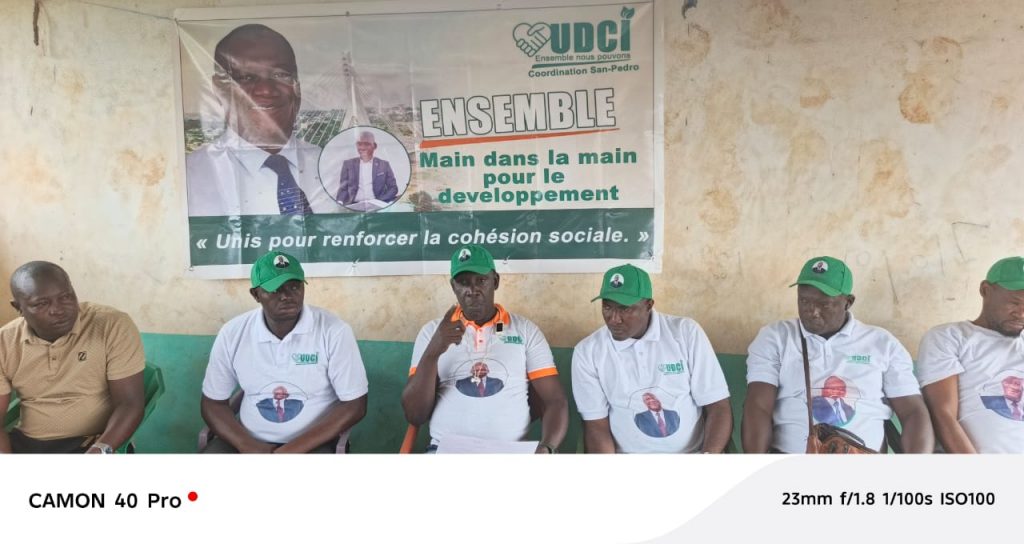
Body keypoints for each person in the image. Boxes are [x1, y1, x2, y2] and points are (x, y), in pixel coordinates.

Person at [742, 256, 933, 453]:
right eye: (804, 300)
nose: (812, 312)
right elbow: (758, 406)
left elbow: (913, 412)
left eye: (824, 304)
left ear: (848, 302)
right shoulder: (776, 337)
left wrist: (915, 467)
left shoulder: (882, 343)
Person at [401, 245, 567, 453]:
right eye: (463, 282)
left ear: (495, 281)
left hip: (509, 452)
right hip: (448, 451)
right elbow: (414, 415)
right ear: (453, 286)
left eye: (481, 280)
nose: (472, 290)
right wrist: (434, 350)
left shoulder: (525, 330)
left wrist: (547, 448)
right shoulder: (432, 332)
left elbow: (554, 401)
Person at [200, 251, 368, 453]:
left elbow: (355, 404)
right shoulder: (233, 333)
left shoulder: (334, 331)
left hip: (312, 444)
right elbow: (213, 403)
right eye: (276, 289)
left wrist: (290, 451)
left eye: (294, 287)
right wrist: (248, 446)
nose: (287, 296)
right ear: (256, 295)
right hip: (249, 442)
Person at [186, 23, 343, 216]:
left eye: (280, 75)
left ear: (297, 87)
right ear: (220, 88)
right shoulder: (187, 179)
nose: (266, 90)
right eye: (246, 77)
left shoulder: (336, 168)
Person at [572, 264, 732, 453]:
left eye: (624, 309)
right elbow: (596, 425)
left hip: (692, 458)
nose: (614, 319)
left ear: (648, 305)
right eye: (607, 307)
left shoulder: (685, 333)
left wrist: (707, 460)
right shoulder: (588, 351)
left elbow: (717, 406)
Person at [0, 261, 145, 453]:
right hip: (29, 443)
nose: (58, 309)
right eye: (41, 303)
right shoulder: (5, 342)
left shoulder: (111, 325)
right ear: (18, 307)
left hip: (95, 442)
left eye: (66, 297)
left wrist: (100, 450)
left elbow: (130, 404)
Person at [917, 256, 1024, 452]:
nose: (1021, 313)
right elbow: (942, 414)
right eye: (1014, 303)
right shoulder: (949, 337)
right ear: (986, 290)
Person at [336, 131, 399, 207]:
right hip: (353, 205)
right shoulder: (348, 164)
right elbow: (343, 188)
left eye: (366, 144)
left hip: (377, 205)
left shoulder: (384, 165)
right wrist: (339, 202)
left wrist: (379, 201)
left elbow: (393, 188)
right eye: (359, 144)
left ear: (374, 146)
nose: (362, 148)